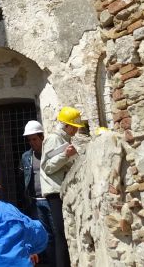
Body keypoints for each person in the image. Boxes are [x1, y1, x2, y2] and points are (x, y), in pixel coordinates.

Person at [40, 107, 86, 267]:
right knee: (61, 234)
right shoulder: (54, 139)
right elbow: (47, 167)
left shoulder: (64, 139)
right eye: (74, 126)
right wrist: (66, 154)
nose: (76, 130)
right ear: (67, 126)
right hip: (55, 192)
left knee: (65, 233)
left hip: (62, 191)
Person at [19, 120, 54, 266]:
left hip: (51, 199)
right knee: (42, 235)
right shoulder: (26, 157)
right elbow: (23, 178)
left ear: (42, 137)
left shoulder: (50, 154)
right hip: (35, 201)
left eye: (34, 139)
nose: (32, 142)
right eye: (29, 140)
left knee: (56, 233)